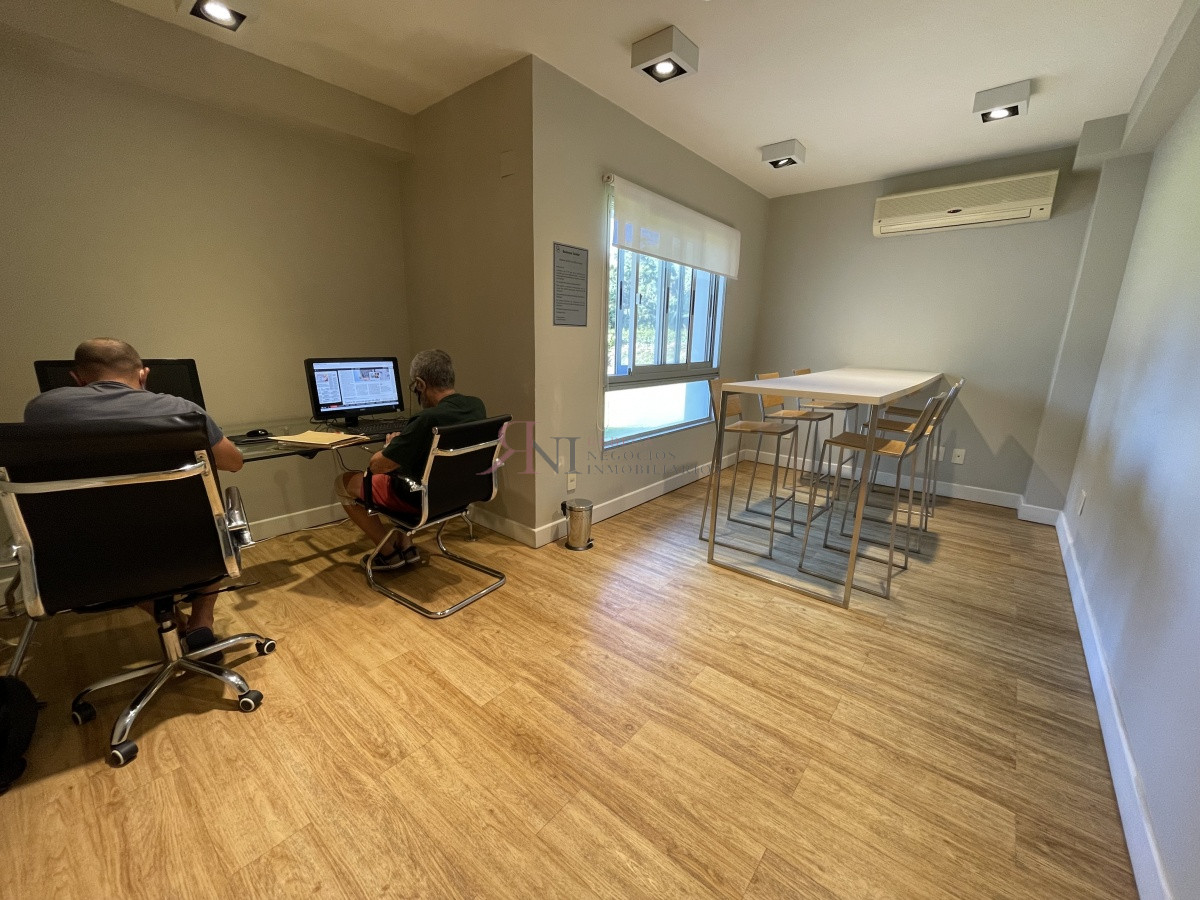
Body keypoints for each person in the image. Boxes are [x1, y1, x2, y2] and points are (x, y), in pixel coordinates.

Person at [23, 338, 243, 655]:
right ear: (143, 374)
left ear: (77, 378)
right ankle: (201, 621)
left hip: (90, 562)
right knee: (212, 522)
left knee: (123, 546)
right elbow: (233, 462)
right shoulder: (182, 410)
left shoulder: (41, 410)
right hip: (191, 552)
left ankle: (172, 621)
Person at [337, 349, 486, 569]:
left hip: (422, 499)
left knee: (343, 482)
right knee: (410, 469)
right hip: (459, 494)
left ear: (420, 384)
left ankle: (387, 553)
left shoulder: (426, 419)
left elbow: (377, 466)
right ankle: (406, 545)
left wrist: (390, 447)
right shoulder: (476, 406)